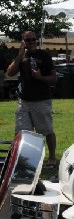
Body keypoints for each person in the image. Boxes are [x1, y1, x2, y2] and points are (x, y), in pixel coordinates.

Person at [6, 30, 57, 167]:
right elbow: (10, 73)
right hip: (24, 101)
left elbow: (54, 78)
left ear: (37, 40)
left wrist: (40, 77)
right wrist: (19, 56)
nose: (31, 42)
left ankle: (52, 157)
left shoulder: (44, 55)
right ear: (23, 42)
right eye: (28, 40)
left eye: (33, 39)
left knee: (46, 130)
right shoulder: (21, 56)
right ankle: (25, 160)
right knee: (22, 133)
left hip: (41, 100)